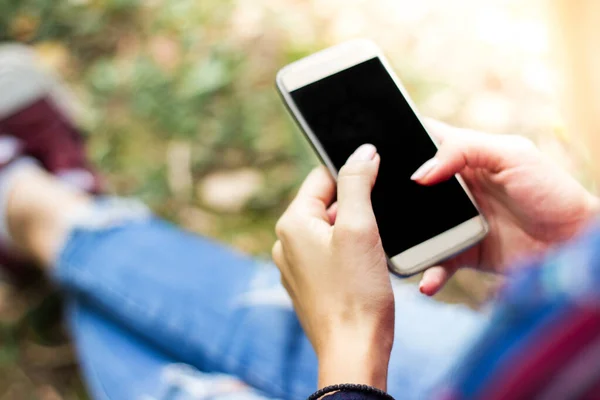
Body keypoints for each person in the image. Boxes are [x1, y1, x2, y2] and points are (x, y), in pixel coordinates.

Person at [2, 44, 600, 400]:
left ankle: (42, 213)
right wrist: (574, 244)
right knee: (255, 316)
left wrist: (351, 350)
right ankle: (53, 218)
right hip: (514, 364)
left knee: (184, 376)